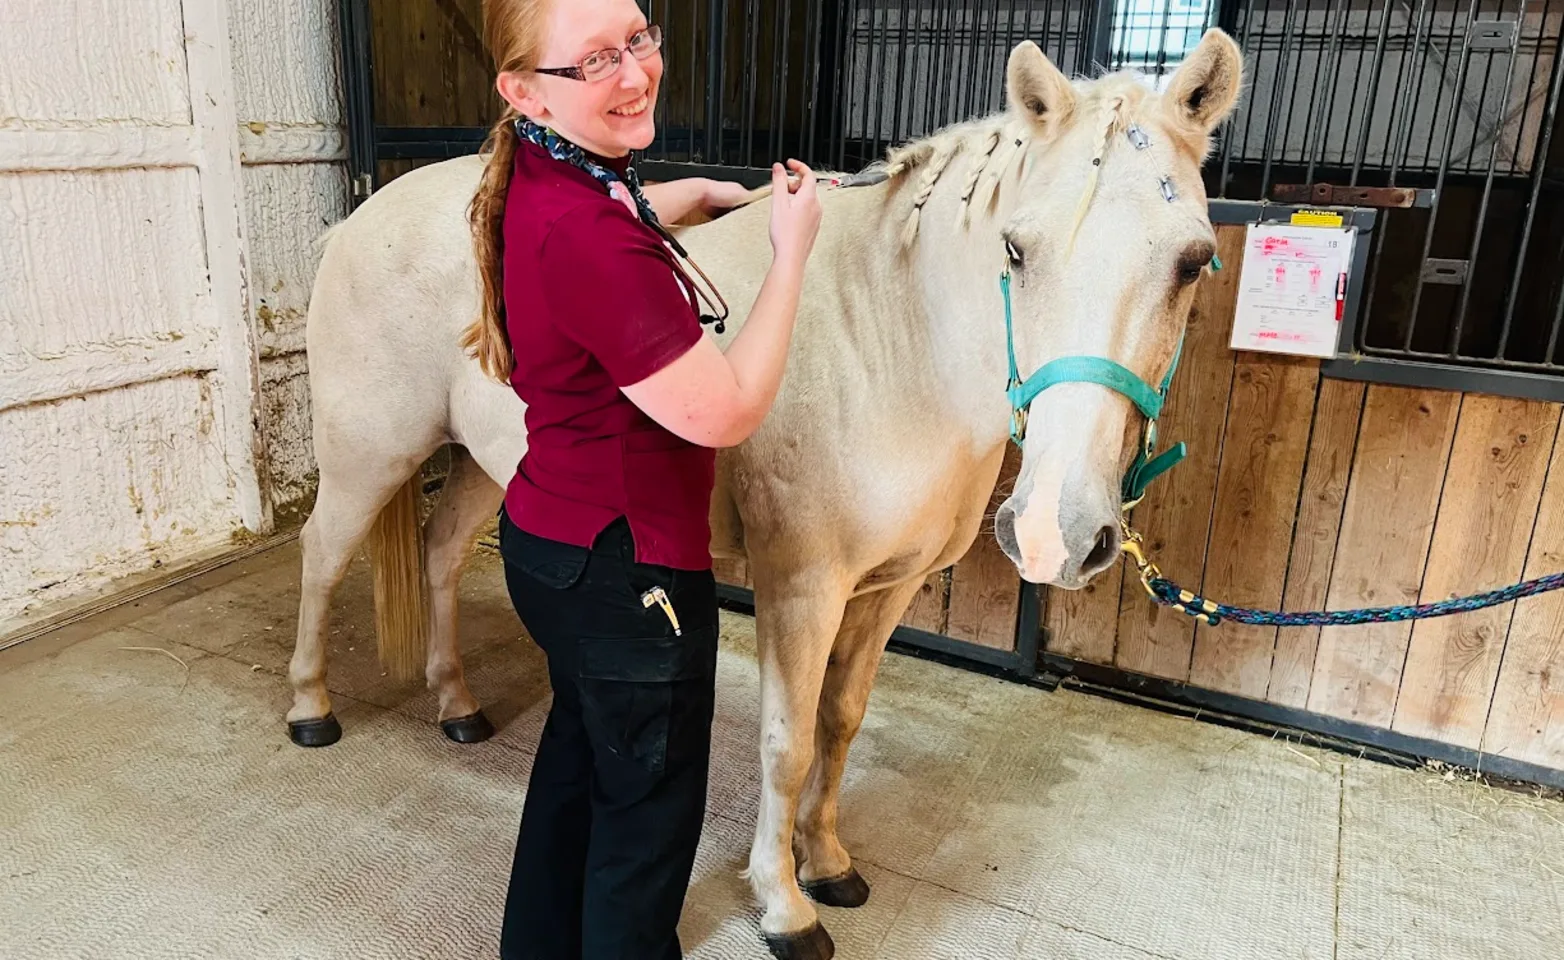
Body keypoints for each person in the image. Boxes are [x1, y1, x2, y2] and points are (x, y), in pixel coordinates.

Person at [461, 0, 822, 957]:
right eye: (594, 62)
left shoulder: (550, 176)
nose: (634, 73)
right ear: (523, 92)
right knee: (645, 829)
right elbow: (726, 408)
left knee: (582, 772)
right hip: (631, 580)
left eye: (639, 38)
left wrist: (678, 196)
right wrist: (790, 254)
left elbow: (600, 222)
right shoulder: (591, 237)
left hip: (553, 551)